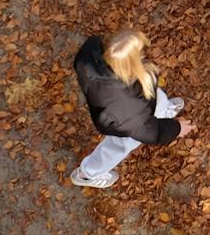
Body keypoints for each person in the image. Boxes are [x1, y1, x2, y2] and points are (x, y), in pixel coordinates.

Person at [71, 27, 192, 189]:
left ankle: (163, 109)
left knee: (154, 95)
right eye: (140, 55)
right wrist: (176, 128)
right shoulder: (128, 109)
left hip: (122, 108)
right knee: (119, 145)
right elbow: (148, 131)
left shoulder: (92, 49)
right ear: (131, 66)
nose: (144, 55)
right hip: (120, 123)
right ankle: (88, 174)